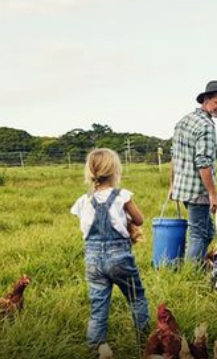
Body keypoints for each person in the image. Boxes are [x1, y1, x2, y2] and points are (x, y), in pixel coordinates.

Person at [71, 148, 150, 348]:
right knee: (137, 298)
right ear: (115, 170)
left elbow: (87, 225)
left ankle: (95, 347)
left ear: (90, 172)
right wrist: (126, 219)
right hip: (119, 257)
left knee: (98, 307)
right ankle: (146, 343)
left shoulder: (84, 200)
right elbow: (139, 220)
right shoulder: (122, 195)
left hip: (93, 259)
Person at [170, 80, 217, 265]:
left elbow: (175, 156)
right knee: (199, 234)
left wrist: (172, 185)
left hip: (184, 189)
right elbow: (203, 163)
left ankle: (194, 264)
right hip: (199, 191)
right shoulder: (206, 126)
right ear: (206, 99)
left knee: (207, 233)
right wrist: (213, 194)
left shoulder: (184, 121)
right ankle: (192, 274)